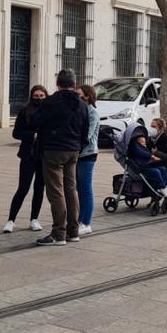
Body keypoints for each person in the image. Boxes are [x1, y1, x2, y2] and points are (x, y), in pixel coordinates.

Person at [31, 69, 88, 245]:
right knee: (71, 189)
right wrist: (79, 146)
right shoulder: (82, 104)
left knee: (56, 191)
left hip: (53, 149)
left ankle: (58, 233)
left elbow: (35, 120)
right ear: (74, 84)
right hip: (74, 149)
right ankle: (73, 231)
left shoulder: (51, 102)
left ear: (57, 83)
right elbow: (85, 129)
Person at [4, 86, 47, 234]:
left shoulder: (50, 111)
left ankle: (34, 219)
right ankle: (11, 220)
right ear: (31, 96)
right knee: (23, 188)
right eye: (36, 95)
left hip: (44, 155)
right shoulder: (24, 111)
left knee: (39, 188)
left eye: (42, 95)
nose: (39, 98)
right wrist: (32, 135)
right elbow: (16, 133)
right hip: (28, 154)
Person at [76, 85, 100, 234]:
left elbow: (87, 135)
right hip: (78, 154)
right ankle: (80, 220)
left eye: (80, 95)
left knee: (86, 188)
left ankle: (86, 222)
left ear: (88, 96)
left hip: (88, 153)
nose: (78, 97)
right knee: (79, 189)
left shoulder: (92, 113)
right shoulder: (80, 110)